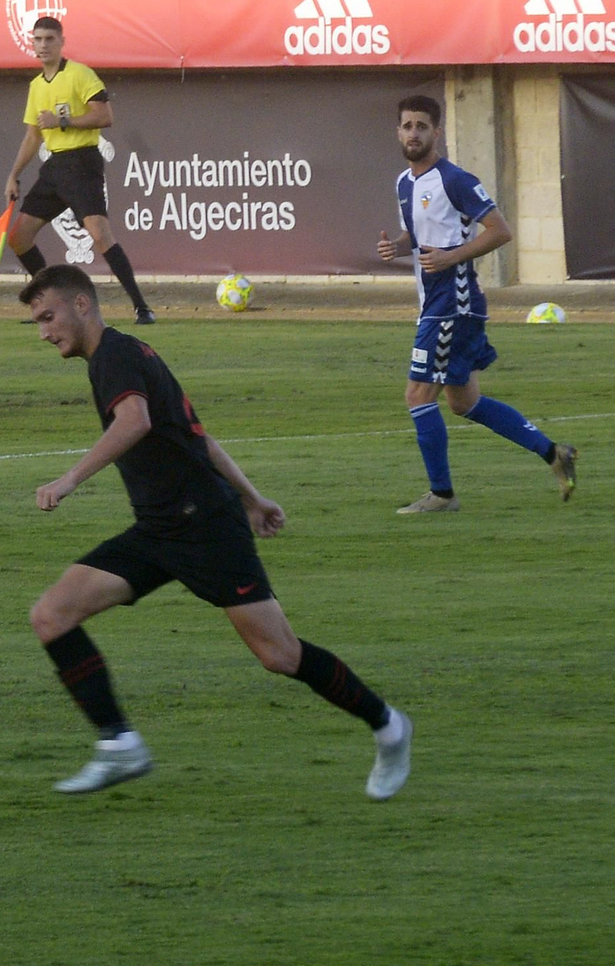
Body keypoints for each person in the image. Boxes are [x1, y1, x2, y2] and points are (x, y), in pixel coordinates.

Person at [20, 266, 412, 799]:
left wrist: (69, 479)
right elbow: (197, 437)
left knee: (280, 655)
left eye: (48, 316)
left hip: (205, 527)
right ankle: (119, 745)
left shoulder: (115, 356)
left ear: (82, 305)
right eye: (37, 321)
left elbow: (135, 422)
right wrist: (253, 496)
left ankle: (389, 726)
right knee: (52, 614)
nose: (44, 331)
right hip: (160, 528)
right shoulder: (128, 354)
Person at [377, 94, 578, 514]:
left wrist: (450, 257)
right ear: (398, 132)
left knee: (418, 394)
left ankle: (442, 495)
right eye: (407, 126)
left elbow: (499, 230)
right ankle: (554, 453)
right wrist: (397, 246)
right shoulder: (403, 183)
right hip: (433, 299)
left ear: (437, 132)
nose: (414, 133)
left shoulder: (455, 180)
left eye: (422, 126)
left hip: (455, 300)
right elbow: (420, 233)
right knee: (463, 401)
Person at [4, 17, 156, 326]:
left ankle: (142, 307)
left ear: (61, 42)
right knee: (19, 238)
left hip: (82, 161)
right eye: (38, 39)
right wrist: (13, 174)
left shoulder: (80, 74)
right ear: (32, 44)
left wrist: (62, 121)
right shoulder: (36, 86)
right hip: (55, 167)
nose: (43, 45)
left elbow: (104, 116)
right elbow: (33, 136)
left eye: (49, 39)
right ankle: (50, 305)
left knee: (100, 234)